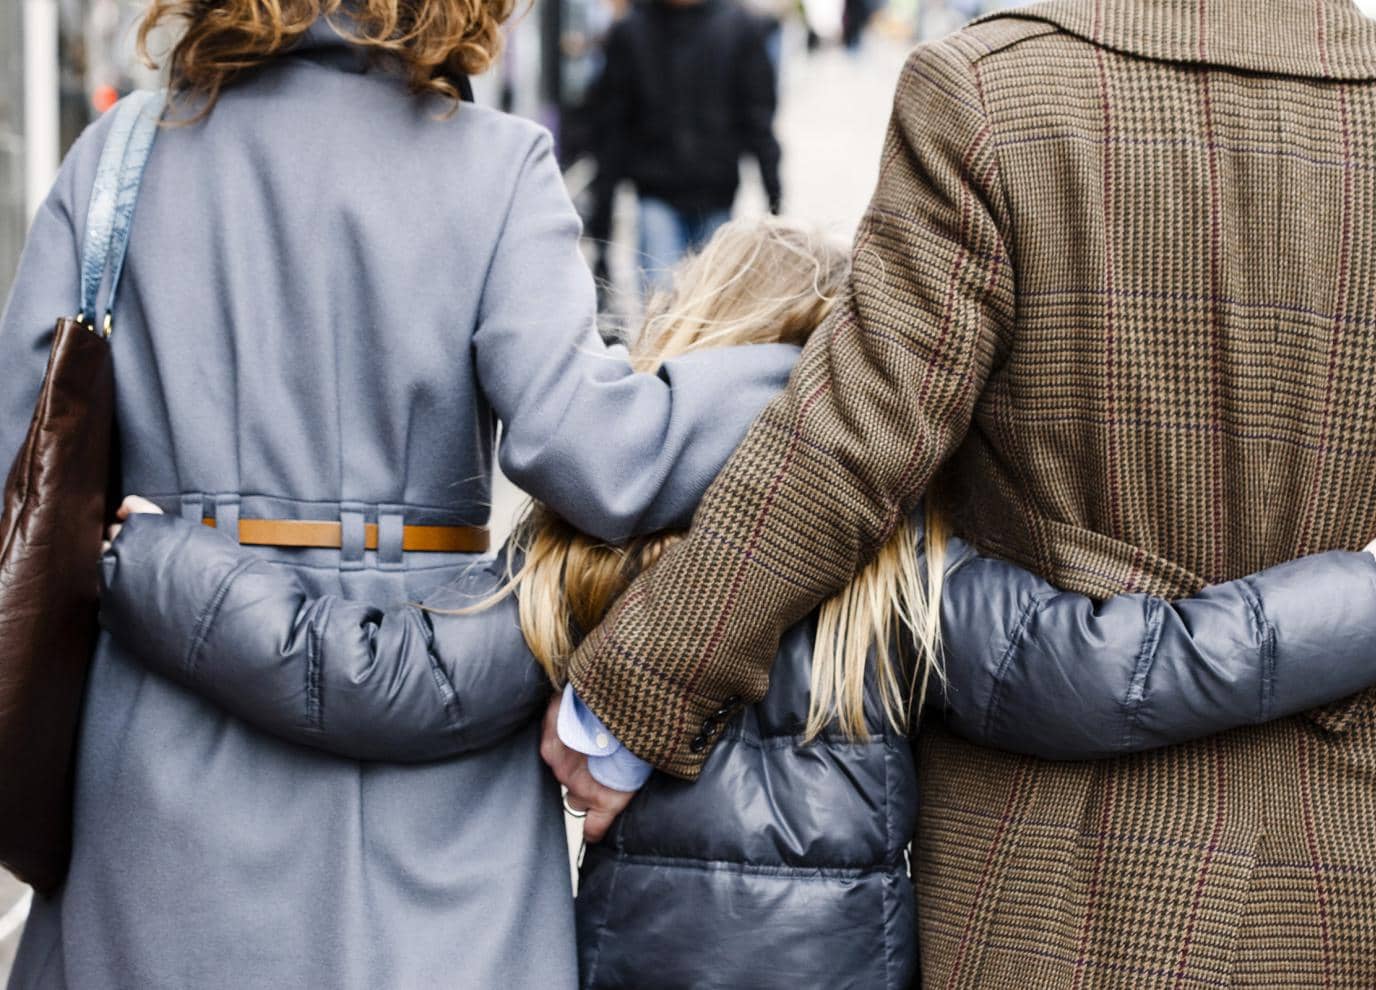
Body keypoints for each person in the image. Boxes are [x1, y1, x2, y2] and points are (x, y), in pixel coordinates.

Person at [103, 218, 1376, 988]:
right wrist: (1349, 609)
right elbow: (1116, 665)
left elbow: (379, 671)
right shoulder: (896, 564)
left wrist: (156, 561)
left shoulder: (592, 554)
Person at [553, 1, 1376, 986]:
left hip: (1064, 867)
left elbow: (854, 442)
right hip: (1366, 853)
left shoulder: (987, 93)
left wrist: (634, 692)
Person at [0, 0, 804, 985]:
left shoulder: (116, 161)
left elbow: (22, 475)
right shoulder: (495, 166)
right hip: (437, 782)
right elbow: (600, 454)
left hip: (161, 764)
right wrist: (795, 370)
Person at [586, 0, 782, 289]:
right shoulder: (631, 32)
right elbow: (611, 130)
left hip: (717, 196)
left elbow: (758, 121)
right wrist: (601, 229)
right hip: (657, 195)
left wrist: (775, 205)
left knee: (712, 309)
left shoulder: (739, 28)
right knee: (662, 307)